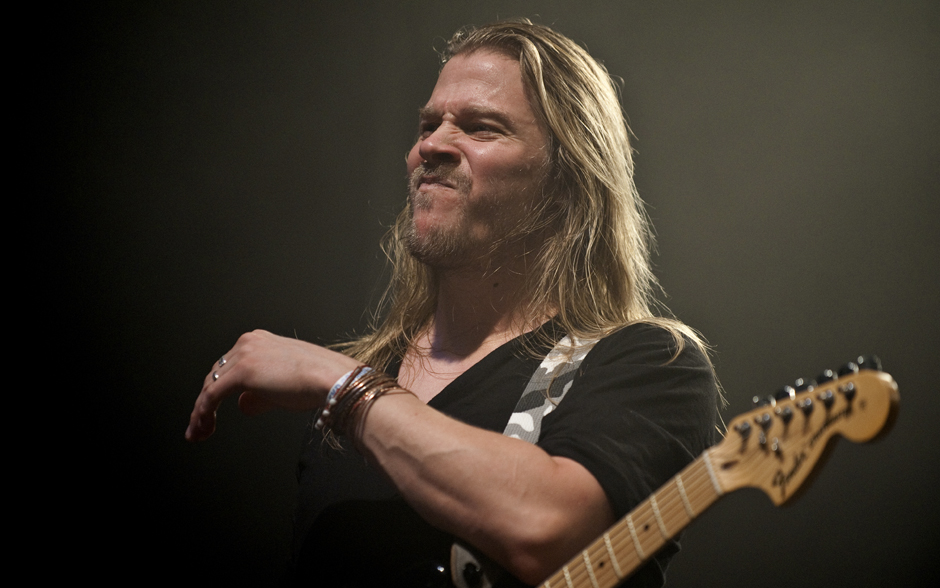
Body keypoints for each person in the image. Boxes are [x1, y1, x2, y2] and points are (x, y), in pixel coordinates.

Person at [187, 20, 719, 588]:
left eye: (480, 127)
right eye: (428, 125)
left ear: (568, 179)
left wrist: (343, 385)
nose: (430, 146)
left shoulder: (649, 365)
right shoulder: (370, 371)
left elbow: (549, 530)